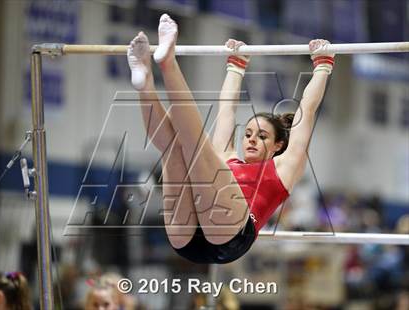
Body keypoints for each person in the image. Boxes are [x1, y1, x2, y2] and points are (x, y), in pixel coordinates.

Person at [127, 13, 334, 264]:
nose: (251, 140)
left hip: (231, 235)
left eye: (262, 136)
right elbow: (227, 108)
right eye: (247, 134)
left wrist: (323, 64)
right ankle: (145, 81)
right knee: (173, 149)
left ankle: (168, 64)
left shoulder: (285, 167)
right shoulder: (227, 156)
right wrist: (236, 65)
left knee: (196, 146)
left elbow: (307, 109)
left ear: (279, 145)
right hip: (190, 235)